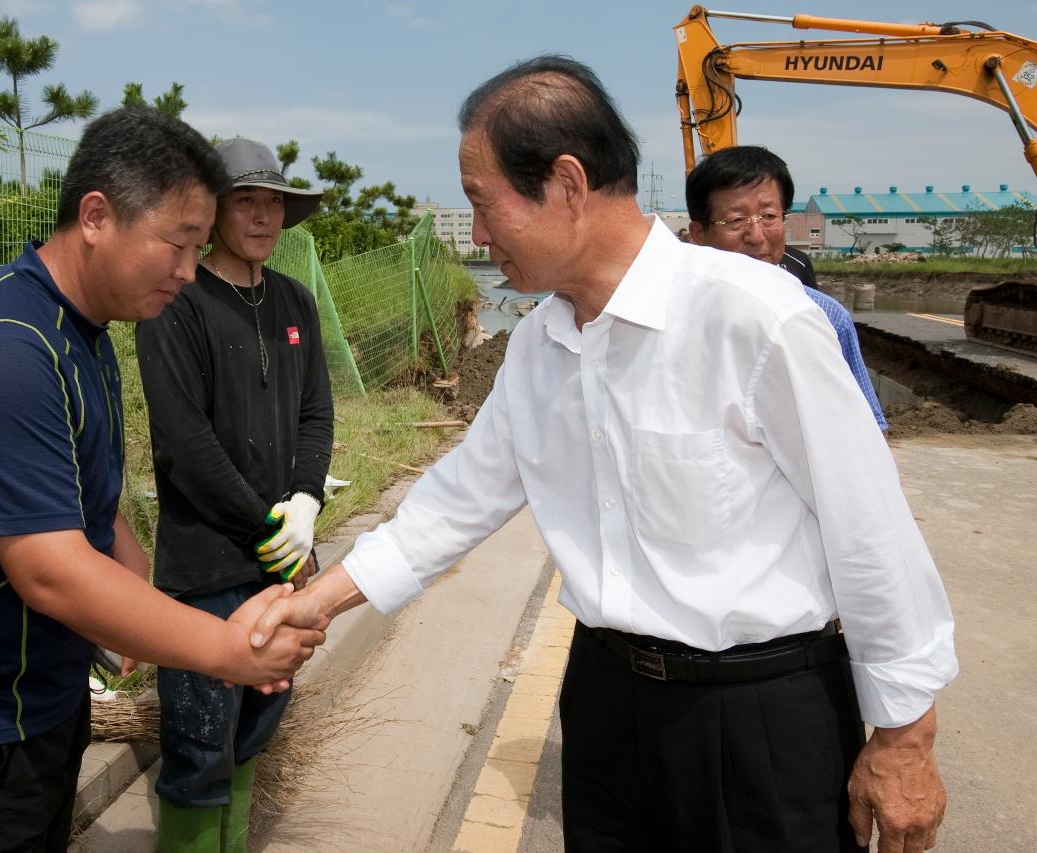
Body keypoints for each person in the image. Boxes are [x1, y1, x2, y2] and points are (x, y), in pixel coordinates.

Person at [254, 57, 956, 853]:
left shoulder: (755, 320)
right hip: (605, 707)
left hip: (758, 717)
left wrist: (905, 738)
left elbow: (871, 533)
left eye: (484, 206)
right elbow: (453, 503)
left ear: (566, 184)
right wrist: (315, 601)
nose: (478, 235)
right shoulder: (540, 347)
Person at [0, 108, 326, 853]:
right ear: (97, 215)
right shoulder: (9, 350)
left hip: (39, 702)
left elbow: (79, 497)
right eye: (177, 244)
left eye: (200, 248)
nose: (190, 272)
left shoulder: (87, 334)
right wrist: (225, 648)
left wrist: (134, 586)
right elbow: (52, 573)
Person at [135, 137, 333, 853]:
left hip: (281, 565)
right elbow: (185, 443)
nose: (263, 216)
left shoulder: (294, 302)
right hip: (204, 570)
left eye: (273, 201)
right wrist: (265, 524)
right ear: (213, 211)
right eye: (245, 200)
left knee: (254, 730)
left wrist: (306, 501)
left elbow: (316, 412)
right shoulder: (176, 306)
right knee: (196, 746)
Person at [686, 145, 888, 430]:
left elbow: (868, 428)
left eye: (769, 217)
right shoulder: (672, 317)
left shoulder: (827, 317)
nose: (756, 236)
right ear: (698, 234)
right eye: (735, 220)